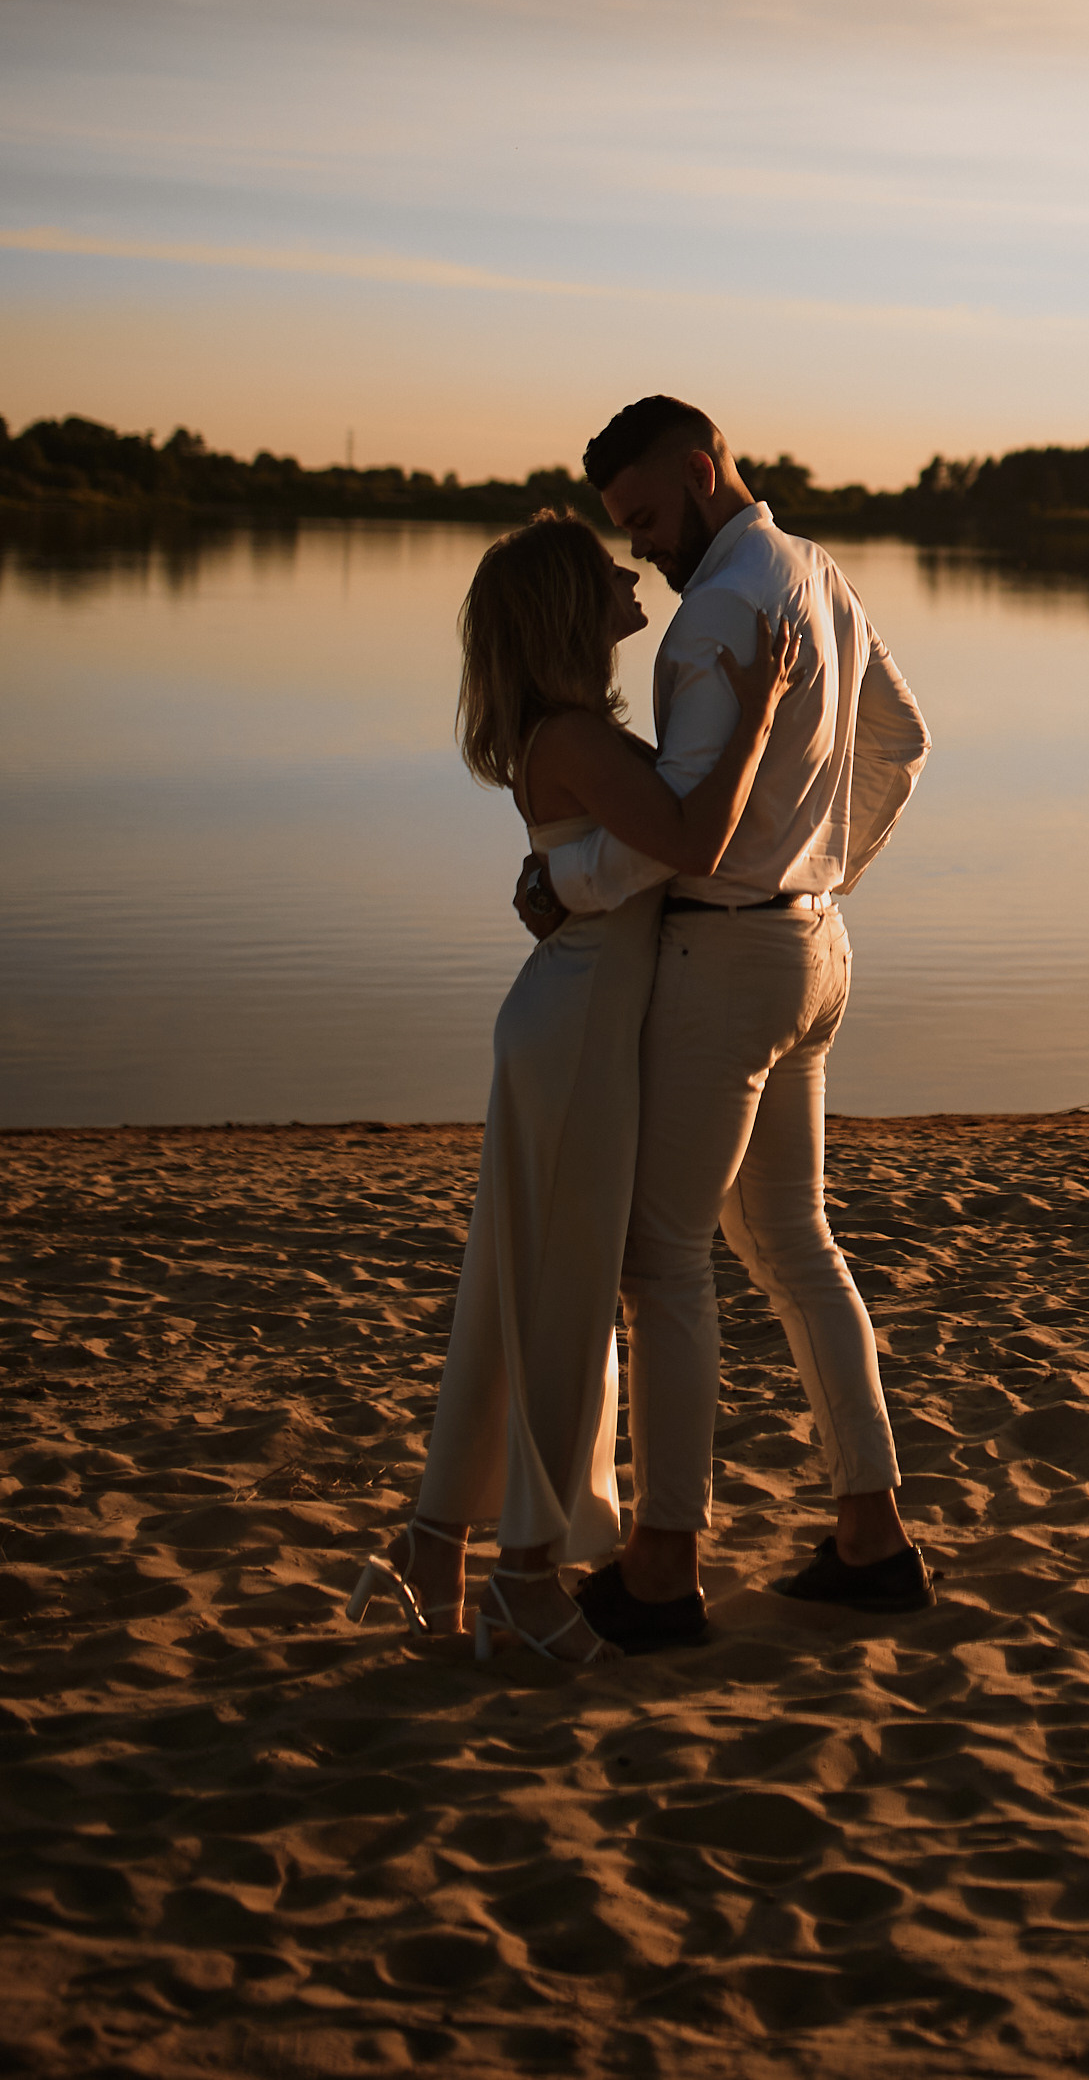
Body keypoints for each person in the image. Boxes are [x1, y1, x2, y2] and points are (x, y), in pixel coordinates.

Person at [513, 394, 933, 1651]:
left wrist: (566, 878)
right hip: (814, 948)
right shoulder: (818, 573)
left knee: (663, 1260)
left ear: (700, 469)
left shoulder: (714, 616)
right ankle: (871, 1537)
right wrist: (823, 868)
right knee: (794, 1240)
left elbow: (677, 830)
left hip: (728, 960)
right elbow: (903, 739)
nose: (640, 546)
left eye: (645, 516)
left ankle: (662, 1567)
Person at [350, 509, 793, 1666]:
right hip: (577, 1031)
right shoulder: (575, 737)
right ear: (563, 607)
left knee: (517, 1289)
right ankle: (525, 1576)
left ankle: (435, 1543)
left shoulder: (573, 733)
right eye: (602, 567)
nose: (626, 569)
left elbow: (613, 849)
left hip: (573, 1019)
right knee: (561, 1303)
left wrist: (551, 874)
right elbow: (694, 840)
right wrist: (756, 714)